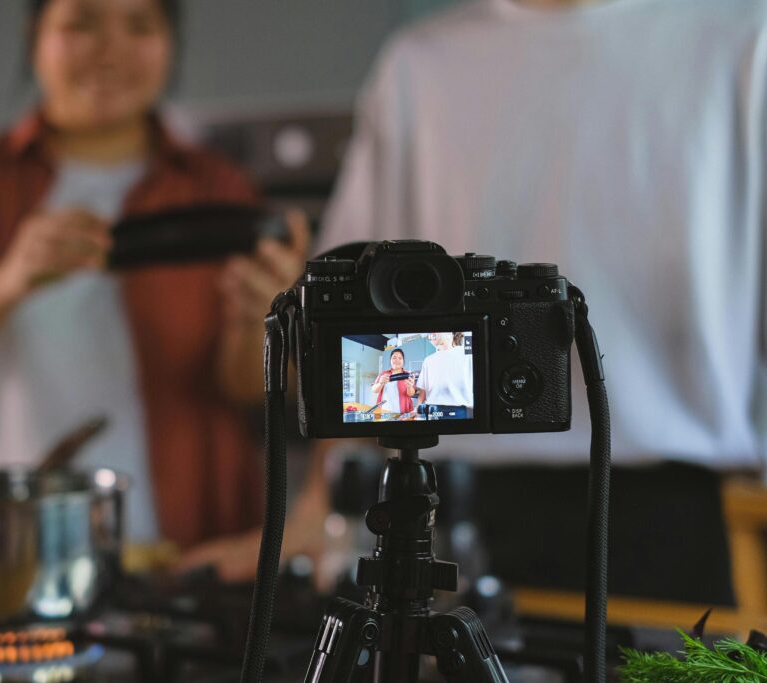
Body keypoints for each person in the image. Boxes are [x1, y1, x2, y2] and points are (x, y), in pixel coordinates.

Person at [0, 0, 326, 580]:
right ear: (36, 36)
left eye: (140, 25)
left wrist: (260, 318)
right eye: (82, 23)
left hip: (177, 548)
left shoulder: (219, 189)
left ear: (169, 42)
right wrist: (10, 278)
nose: (111, 50)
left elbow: (247, 385)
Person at [316, 0, 765, 603]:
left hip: (684, 511)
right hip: (443, 501)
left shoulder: (744, 36)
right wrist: (321, 504)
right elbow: (358, 307)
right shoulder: (419, 65)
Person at [416, 332, 473, 419]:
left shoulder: (467, 354)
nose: (430, 334)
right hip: (431, 413)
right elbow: (423, 391)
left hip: (459, 414)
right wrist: (417, 410)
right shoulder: (428, 360)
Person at [370, 348, 417, 414]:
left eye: (400, 358)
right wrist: (380, 383)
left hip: (403, 412)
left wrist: (409, 387)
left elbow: (411, 394)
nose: (397, 360)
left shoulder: (408, 375)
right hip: (384, 411)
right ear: (390, 360)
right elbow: (374, 390)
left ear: (403, 361)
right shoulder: (383, 374)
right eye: (394, 357)